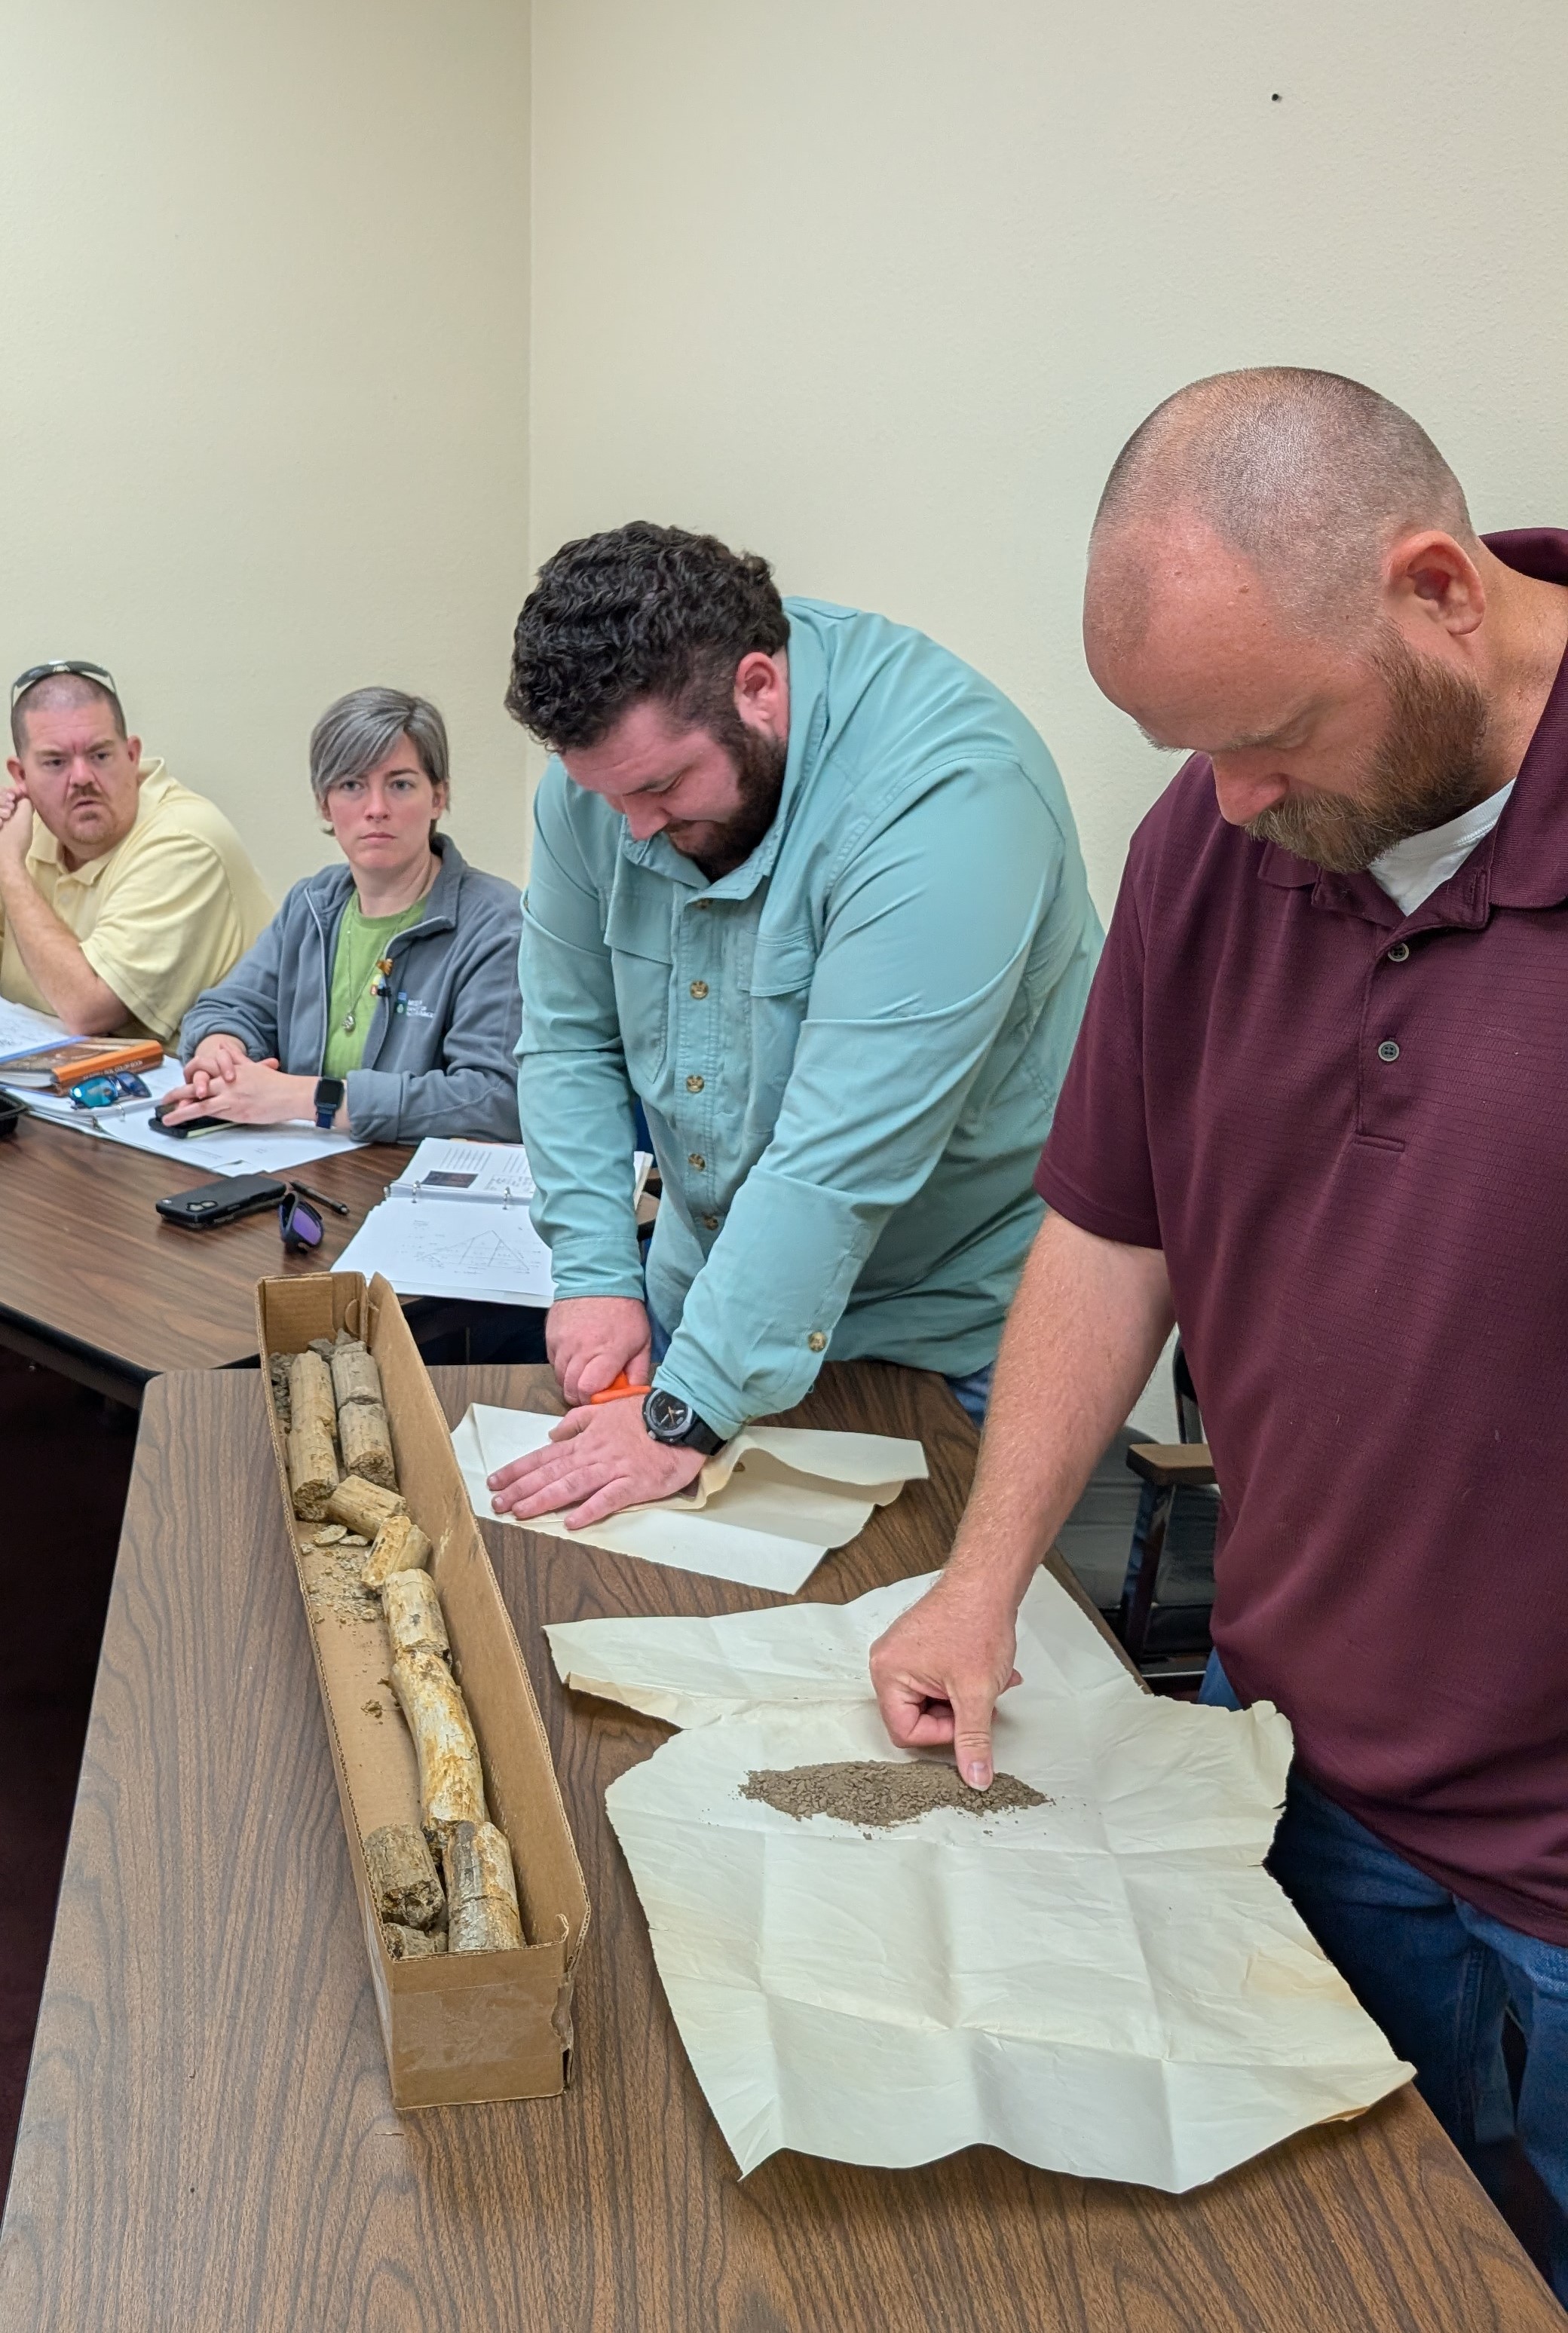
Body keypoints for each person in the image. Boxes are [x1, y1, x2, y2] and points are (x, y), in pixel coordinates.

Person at [868, 367, 1568, 2296]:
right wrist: (983, 1577)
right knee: (1342, 2260)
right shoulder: (1212, 840)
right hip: (1293, 1762)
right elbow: (1110, 1231)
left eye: (1266, 742)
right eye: (1194, 754)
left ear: (1438, 591)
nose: (1234, 805)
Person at [487, 520, 1100, 1533]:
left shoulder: (949, 800)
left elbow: (837, 1159)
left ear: (759, 689)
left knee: (914, 1635)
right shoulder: (607, 783)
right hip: (712, 1289)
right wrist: (595, 1272)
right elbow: (567, 1038)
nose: (631, 830)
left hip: (946, 1329)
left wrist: (682, 1417)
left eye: (659, 790)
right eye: (605, 794)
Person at [167, 687, 522, 1143]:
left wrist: (308, 1099)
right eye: (352, 785)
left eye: (400, 784)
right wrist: (222, 1048)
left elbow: (492, 1097)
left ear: (438, 798)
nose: (376, 810)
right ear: (324, 804)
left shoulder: (496, 923)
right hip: (305, 1173)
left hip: (418, 1189)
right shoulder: (313, 904)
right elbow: (228, 1007)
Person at [0, 659, 271, 1042]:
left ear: (132, 756)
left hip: (189, 1091)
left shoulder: (184, 840)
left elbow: (89, 1009)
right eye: (56, 762)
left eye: (100, 755)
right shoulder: (25, 828)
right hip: (48, 1089)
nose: (81, 779)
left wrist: (9, 869)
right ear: (21, 776)